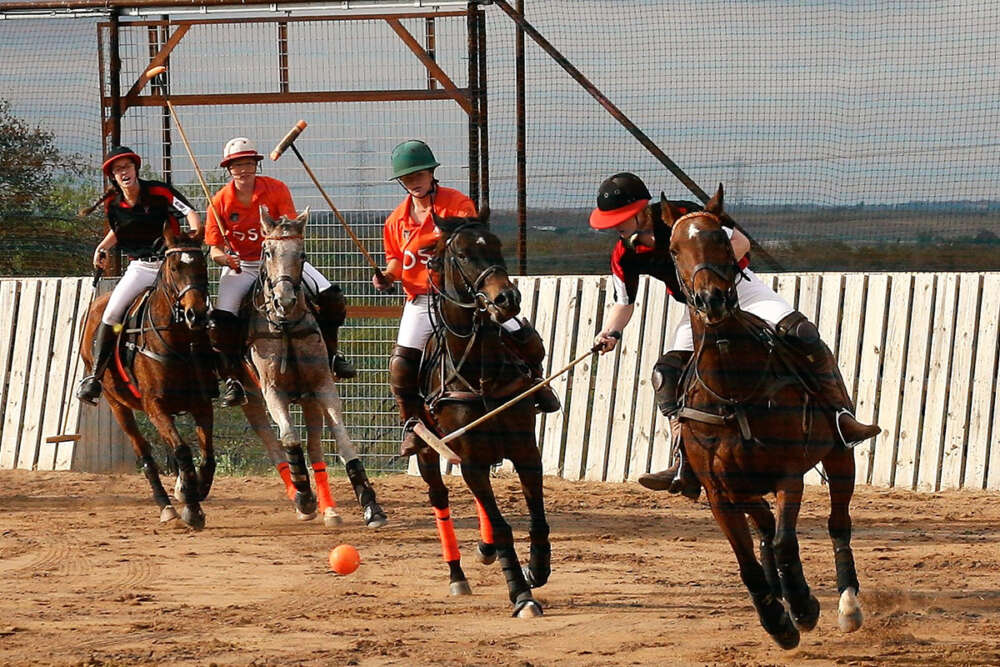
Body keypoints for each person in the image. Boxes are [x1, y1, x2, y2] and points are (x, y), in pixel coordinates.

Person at [589, 172, 880, 495]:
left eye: (620, 218)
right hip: (697, 310)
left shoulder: (684, 217)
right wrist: (610, 332)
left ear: (642, 209)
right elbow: (623, 302)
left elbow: (740, 242)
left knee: (804, 334)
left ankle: (840, 417)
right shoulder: (624, 254)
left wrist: (714, 270)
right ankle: (682, 459)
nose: (614, 226)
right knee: (665, 375)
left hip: (742, 292)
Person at [373, 139, 560, 457]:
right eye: (407, 178)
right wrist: (386, 277)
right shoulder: (395, 221)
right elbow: (395, 261)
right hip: (421, 300)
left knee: (520, 331)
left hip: (463, 297)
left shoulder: (456, 204)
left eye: (419, 174)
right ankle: (412, 426)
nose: (414, 182)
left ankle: (537, 384)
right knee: (401, 365)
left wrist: (432, 242)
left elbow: (467, 238)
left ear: (432, 172)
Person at [204, 137, 355, 407]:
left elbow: (290, 226)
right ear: (229, 169)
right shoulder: (219, 202)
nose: (244, 170)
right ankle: (232, 377)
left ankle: (332, 355)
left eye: (249, 163)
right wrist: (225, 259)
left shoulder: (275, 189)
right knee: (220, 320)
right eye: (237, 165)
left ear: (256, 165)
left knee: (331, 296)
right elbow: (213, 249)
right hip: (243, 267)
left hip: (281, 264)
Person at [76, 147, 203, 405]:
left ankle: (214, 372)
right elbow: (120, 231)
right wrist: (102, 247)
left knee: (198, 308)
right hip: (141, 268)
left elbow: (189, 212)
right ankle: (95, 377)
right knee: (112, 314)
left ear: (136, 169)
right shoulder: (113, 204)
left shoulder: (158, 191)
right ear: (113, 176)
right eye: (118, 169)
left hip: (172, 264)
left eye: (127, 167)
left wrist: (193, 233)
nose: (124, 172)